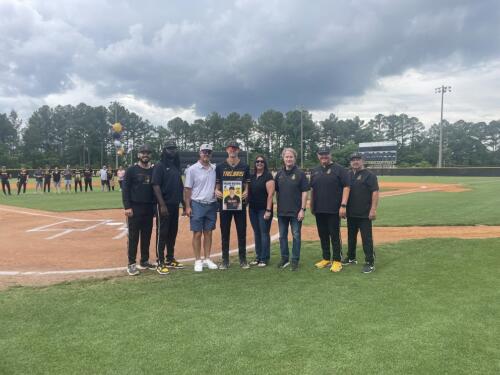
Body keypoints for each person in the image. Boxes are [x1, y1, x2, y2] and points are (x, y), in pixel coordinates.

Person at [310, 146, 351, 273]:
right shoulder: (315, 171)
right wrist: (312, 205)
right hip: (319, 209)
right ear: (318, 156)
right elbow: (313, 189)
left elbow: (347, 187)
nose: (324, 156)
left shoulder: (339, 169)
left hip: (334, 209)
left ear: (330, 155)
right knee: (322, 235)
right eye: (321, 154)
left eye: (326, 154)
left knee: (334, 235)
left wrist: (343, 205)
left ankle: (337, 260)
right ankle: (326, 258)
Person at [215, 140, 251, 270]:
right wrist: (216, 191)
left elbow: (247, 185)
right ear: (227, 150)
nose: (232, 150)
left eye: (235, 148)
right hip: (225, 205)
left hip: (239, 204)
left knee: (242, 232)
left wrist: (246, 192)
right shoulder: (220, 167)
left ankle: (243, 259)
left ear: (238, 150)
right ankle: (225, 260)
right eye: (230, 148)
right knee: (225, 233)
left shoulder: (244, 166)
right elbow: (217, 185)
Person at [122, 144, 157, 276]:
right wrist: (127, 206)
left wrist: (154, 207)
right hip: (134, 207)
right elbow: (125, 189)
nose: (145, 155)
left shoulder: (153, 170)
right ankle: (131, 264)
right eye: (143, 153)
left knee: (146, 236)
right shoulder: (131, 170)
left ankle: (144, 260)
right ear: (138, 155)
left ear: (150, 155)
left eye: (147, 153)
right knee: (133, 236)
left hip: (148, 208)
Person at [184, 143, 219, 272]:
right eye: (204, 152)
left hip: (211, 204)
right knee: (197, 233)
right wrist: (187, 206)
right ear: (200, 153)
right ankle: (198, 260)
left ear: (211, 154)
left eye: (209, 152)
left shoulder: (215, 168)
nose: (206, 154)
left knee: (208, 232)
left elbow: (218, 184)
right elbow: (187, 189)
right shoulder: (192, 169)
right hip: (197, 203)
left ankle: (207, 258)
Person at [152, 141, 186, 272]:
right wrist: (162, 204)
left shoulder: (175, 166)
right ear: (164, 150)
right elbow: (155, 185)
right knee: (162, 232)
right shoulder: (160, 166)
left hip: (174, 204)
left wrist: (183, 202)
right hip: (164, 205)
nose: (172, 151)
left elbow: (179, 185)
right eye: (169, 149)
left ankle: (170, 258)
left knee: (172, 232)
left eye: (174, 149)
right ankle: (160, 262)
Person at [343, 153, 379, 274]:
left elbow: (375, 192)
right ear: (350, 162)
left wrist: (373, 209)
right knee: (351, 237)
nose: (355, 162)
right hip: (351, 212)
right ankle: (351, 257)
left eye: (358, 159)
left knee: (366, 238)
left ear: (362, 161)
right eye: (353, 160)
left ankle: (370, 261)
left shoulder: (370, 175)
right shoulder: (348, 175)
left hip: (364, 213)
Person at [274, 148, 309, 271]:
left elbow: (305, 192)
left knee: (296, 236)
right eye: (286, 157)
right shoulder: (278, 174)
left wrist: (302, 209)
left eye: (291, 157)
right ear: (283, 158)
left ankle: (295, 260)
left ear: (295, 158)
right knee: (282, 236)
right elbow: (277, 192)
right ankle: (284, 259)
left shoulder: (300, 174)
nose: (289, 159)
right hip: (282, 212)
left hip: (296, 212)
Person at [248, 155, 275, 267]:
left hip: (263, 209)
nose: (259, 163)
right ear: (255, 163)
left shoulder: (267, 176)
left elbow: (270, 195)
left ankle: (264, 258)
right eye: (257, 161)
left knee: (264, 233)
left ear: (265, 164)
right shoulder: (252, 176)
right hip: (253, 209)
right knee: (257, 233)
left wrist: (268, 210)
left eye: (262, 161)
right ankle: (258, 256)